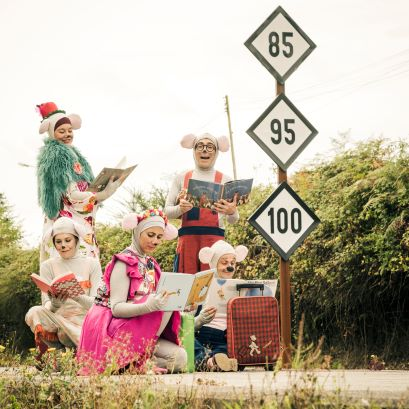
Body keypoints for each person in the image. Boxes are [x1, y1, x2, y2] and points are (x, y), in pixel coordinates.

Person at [77, 209, 187, 375]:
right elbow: (117, 308)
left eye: (159, 237)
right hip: (114, 328)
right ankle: (132, 362)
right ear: (137, 231)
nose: (155, 241)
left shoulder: (150, 263)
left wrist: (181, 302)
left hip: (144, 328)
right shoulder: (123, 263)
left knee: (180, 358)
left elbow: (158, 301)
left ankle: (138, 360)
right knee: (165, 305)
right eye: (150, 235)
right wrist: (149, 306)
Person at [36, 102, 123, 261]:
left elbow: (79, 191)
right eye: (61, 131)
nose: (67, 134)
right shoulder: (58, 156)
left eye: (70, 130)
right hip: (67, 225)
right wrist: (103, 194)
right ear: (51, 132)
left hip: (74, 223)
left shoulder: (72, 154)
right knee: (76, 266)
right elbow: (72, 195)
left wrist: (101, 191)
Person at [25, 217, 102, 365]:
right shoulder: (47, 266)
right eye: (58, 242)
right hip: (59, 320)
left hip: (84, 321)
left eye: (68, 240)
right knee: (34, 312)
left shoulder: (92, 264)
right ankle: (58, 353)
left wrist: (77, 296)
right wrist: (55, 304)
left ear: (76, 240)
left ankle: (78, 356)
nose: (63, 245)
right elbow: (46, 305)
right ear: (54, 243)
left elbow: (97, 304)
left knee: (90, 359)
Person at [164, 133, 239, 274]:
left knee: (213, 285)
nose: (205, 150)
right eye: (200, 146)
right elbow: (167, 212)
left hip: (215, 245)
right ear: (193, 150)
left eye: (210, 147)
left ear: (216, 152)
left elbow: (233, 220)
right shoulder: (181, 178)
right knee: (186, 285)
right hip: (188, 243)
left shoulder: (226, 180)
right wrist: (180, 208)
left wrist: (232, 211)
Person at [194, 240, 248, 371]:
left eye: (232, 263)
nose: (229, 267)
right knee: (188, 341)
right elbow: (186, 320)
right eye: (224, 262)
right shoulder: (201, 283)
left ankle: (213, 361)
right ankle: (209, 360)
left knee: (231, 348)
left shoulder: (240, 286)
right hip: (204, 331)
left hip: (227, 336)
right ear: (214, 263)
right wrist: (198, 319)